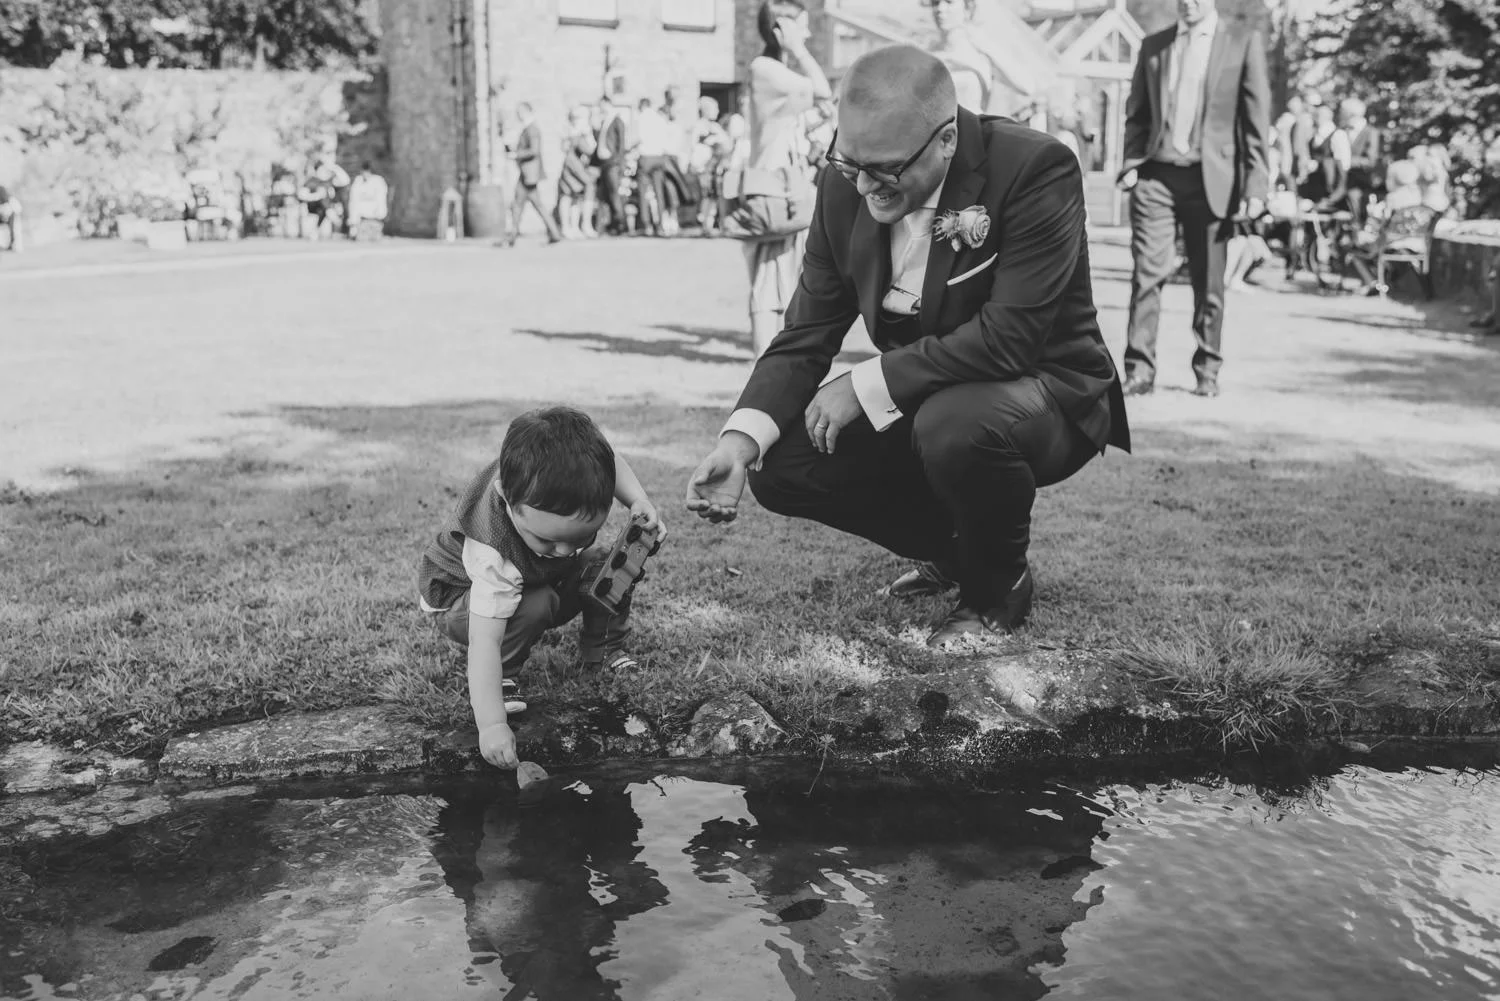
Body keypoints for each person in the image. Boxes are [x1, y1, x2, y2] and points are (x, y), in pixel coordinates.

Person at [684, 46, 1130, 647]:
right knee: (784, 463)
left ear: (946, 140)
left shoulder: (1035, 168)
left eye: (886, 169)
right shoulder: (846, 185)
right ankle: (958, 550)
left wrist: (867, 384)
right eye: (850, 162)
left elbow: (1011, 339)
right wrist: (738, 444)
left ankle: (996, 587)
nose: (866, 185)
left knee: (956, 424)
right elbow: (806, 331)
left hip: (1045, 394)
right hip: (930, 395)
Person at [416, 406, 665, 770]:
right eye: (548, 541)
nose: (566, 550)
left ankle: (604, 650)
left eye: (579, 537)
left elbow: (611, 461)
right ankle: (505, 675)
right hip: (460, 604)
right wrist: (491, 725)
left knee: (609, 565)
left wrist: (637, 500)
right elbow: (484, 640)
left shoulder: (576, 477)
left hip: (533, 576)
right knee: (535, 602)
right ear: (507, 498)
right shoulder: (492, 554)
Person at [1117, 0, 1271, 398]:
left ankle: (1207, 369)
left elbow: (1255, 121)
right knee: (1147, 276)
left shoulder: (1242, 43)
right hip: (1156, 177)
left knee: (1209, 284)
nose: (1188, 2)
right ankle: (1138, 369)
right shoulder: (1153, 46)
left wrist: (1256, 186)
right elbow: (1137, 113)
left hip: (1212, 181)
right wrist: (1132, 161)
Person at [740, 0, 832, 356]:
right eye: (802, 26)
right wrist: (797, 49)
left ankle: (780, 350)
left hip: (788, 186)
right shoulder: (764, 67)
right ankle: (766, 355)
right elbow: (822, 90)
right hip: (772, 190)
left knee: (788, 275)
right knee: (769, 277)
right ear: (782, 30)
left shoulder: (779, 73)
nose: (807, 33)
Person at [504, 103, 562, 246]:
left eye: (519, 112)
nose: (517, 115)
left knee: (521, 204)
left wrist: (516, 154)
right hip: (526, 173)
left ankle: (513, 235)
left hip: (529, 174)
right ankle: (553, 233)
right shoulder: (528, 128)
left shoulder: (532, 129)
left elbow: (534, 150)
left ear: (526, 112)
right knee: (528, 204)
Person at [557, 105, 598, 239]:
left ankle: (574, 227)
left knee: (574, 196)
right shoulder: (575, 134)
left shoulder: (576, 133)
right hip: (573, 167)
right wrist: (587, 136)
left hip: (576, 166)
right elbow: (589, 149)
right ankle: (568, 227)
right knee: (568, 195)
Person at [1340, 97, 1383, 222]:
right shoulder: (1341, 131)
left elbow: (1370, 161)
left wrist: (1346, 161)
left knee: (1354, 200)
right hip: (1339, 182)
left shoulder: (1371, 132)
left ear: (1350, 113)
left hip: (1358, 182)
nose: (1340, 114)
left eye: (1342, 111)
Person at [593, 96, 630, 235]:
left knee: (615, 194)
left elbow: (621, 144)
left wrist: (619, 162)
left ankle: (620, 224)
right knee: (608, 195)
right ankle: (612, 224)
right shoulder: (605, 121)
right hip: (605, 163)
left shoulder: (616, 120)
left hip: (613, 163)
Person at [346, 162, 390, 239]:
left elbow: (381, 200)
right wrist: (353, 220)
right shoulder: (358, 181)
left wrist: (380, 214)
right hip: (360, 216)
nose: (364, 174)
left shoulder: (378, 181)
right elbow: (353, 200)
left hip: (374, 214)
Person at [0, 183, 20, 253]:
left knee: (13, 229)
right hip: (7, 211)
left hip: (10, 211)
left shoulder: (3, 191)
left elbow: (5, 201)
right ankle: (11, 245)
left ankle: (12, 245)